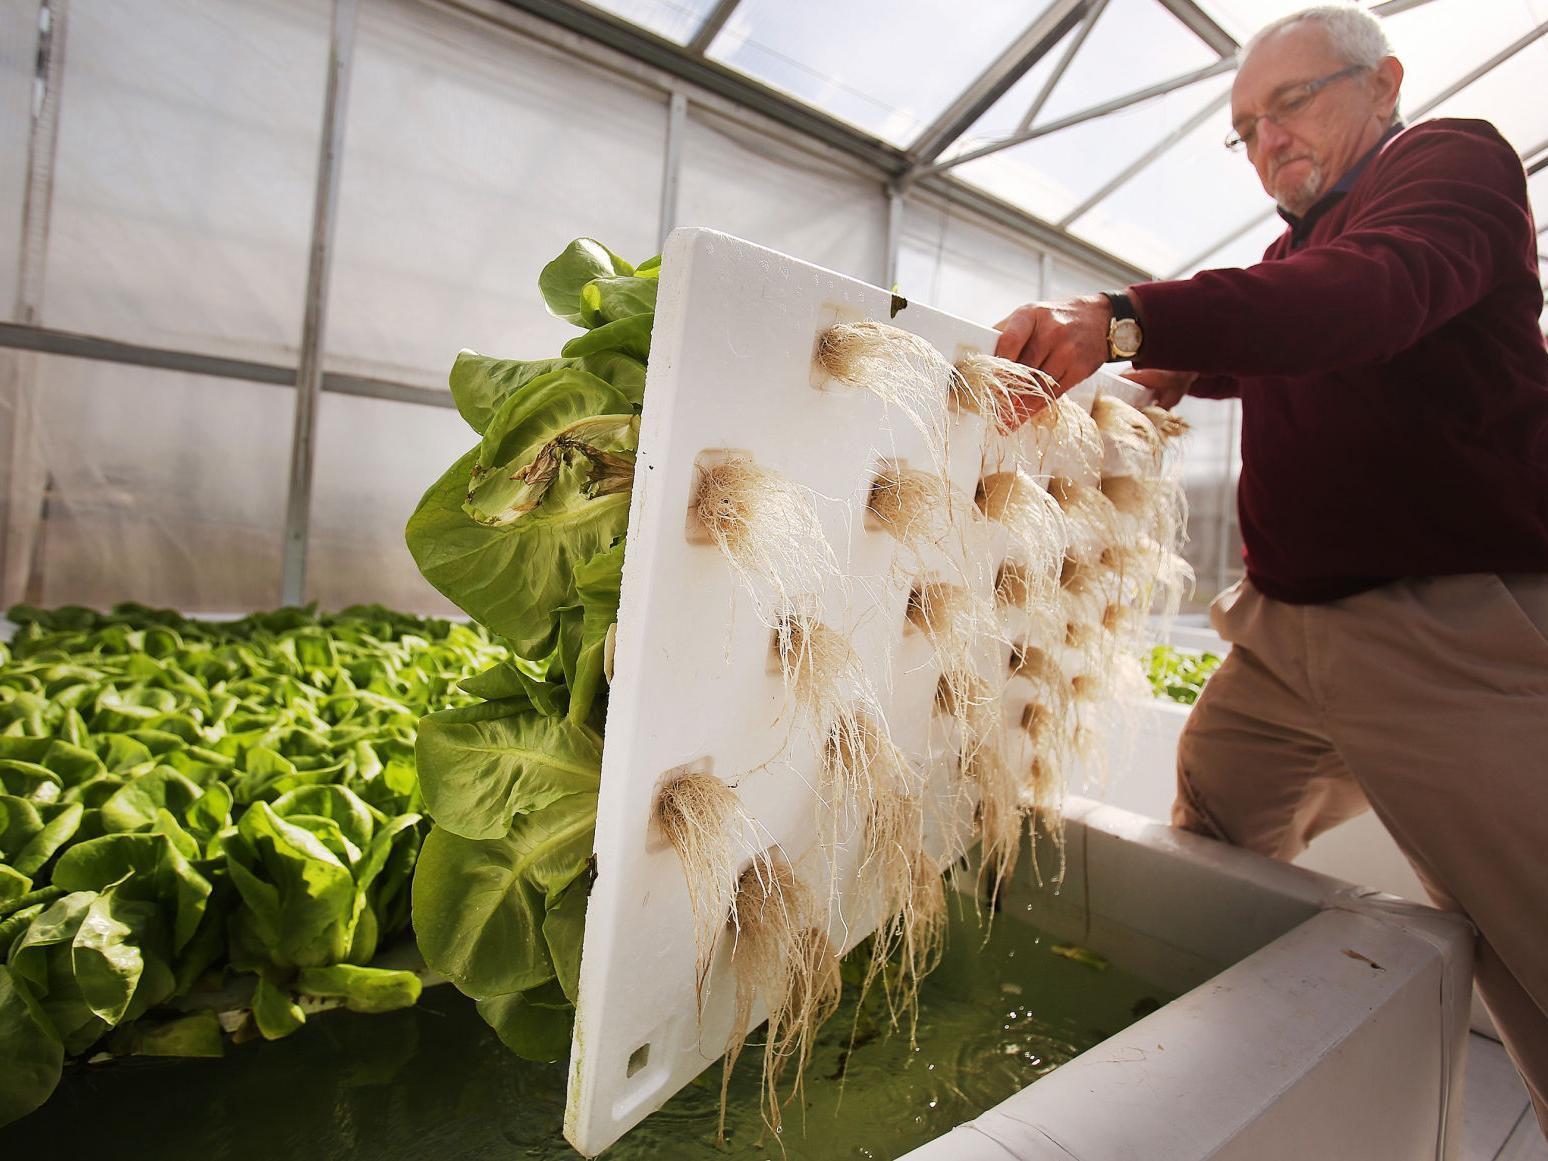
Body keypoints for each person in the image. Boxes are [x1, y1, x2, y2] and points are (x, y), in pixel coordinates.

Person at [993, 3, 1548, 1136]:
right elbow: (1285, 328)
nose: (1266, 141)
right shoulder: (1300, 255)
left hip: (1441, 636)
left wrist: (1129, 322)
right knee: (1209, 849)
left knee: (1531, 941)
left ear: (1384, 83)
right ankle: (1206, 1099)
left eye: (1289, 104)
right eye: (1244, 129)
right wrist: (1165, 368)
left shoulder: (1451, 165)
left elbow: (1367, 299)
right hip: (1285, 636)